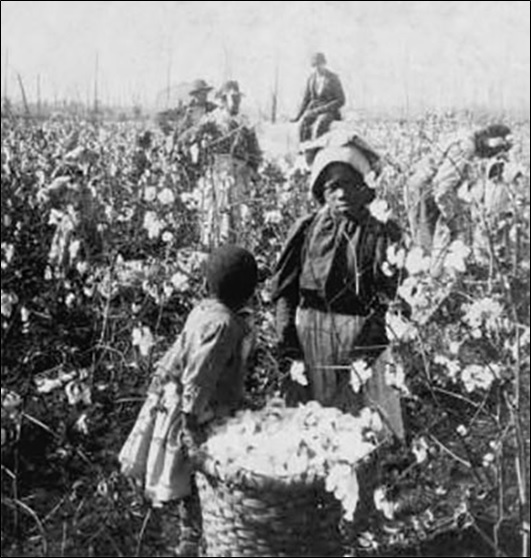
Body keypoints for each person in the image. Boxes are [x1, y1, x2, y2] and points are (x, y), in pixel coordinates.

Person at [119, 245, 258, 557]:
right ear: (248, 293)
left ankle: (193, 536)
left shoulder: (203, 311)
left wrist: (160, 382)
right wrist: (191, 420)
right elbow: (200, 374)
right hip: (198, 411)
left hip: (180, 400)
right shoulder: (224, 326)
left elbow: (178, 352)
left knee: (193, 478)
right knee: (200, 475)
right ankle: (196, 540)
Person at [271, 132, 405, 440]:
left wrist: (359, 365)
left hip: (364, 344)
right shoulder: (307, 230)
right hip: (311, 344)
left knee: (363, 433)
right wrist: (291, 355)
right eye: (333, 186)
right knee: (314, 433)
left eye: (349, 183)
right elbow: (285, 296)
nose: (342, 193)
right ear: (321, 190)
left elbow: (391, 307)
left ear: (364, 187)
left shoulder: (383, 233)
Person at [405, 124, 514, 276]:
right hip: (424, 194)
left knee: (431, 248)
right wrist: (452, 218)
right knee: (428, 249)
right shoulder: (467, 147)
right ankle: (431, 289)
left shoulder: (466, 136)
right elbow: (442, 188)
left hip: (423, 189)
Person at [189, 80, 262, 248]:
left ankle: (238, 248)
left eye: (238, 98)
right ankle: (215, 248)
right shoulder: (212, 119)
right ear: (222, 99)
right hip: (219, 172)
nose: (236, 102)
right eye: (232, 98)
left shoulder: (245, 120)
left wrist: (253, 169)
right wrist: (203, 144)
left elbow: (254, 149)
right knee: (219, 211)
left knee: (239, 212)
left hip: (240, 173)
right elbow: (196, 141)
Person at [292, 52, 346, 144]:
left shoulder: (333, 78)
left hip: (329, 111)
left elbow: (341, 100)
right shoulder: (311, 79)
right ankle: (304, 150)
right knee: (302, 125)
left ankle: (318, 151)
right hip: (314, 110)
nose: (317, 68)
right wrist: (298, 116)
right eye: (315, 65)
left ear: (324, 64)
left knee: (320, 125)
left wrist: (323, 109)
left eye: (320, 64)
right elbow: (306, 99)